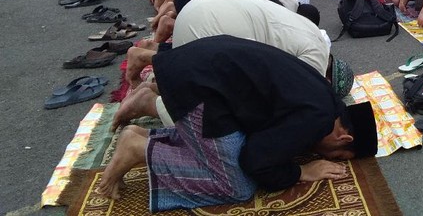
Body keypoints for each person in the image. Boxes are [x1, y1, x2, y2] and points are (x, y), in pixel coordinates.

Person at [96, 36, 377, 211]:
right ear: (344, 138)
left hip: (198, 69)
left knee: (227, 149)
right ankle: (138, 149)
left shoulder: (325, 97)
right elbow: (254, 160)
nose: (322, 155)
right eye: (336, 155)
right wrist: (301, 171)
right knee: (237, 186)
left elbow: (261, 136)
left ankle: (142, 137)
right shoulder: (318, 120)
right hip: (198, 86)